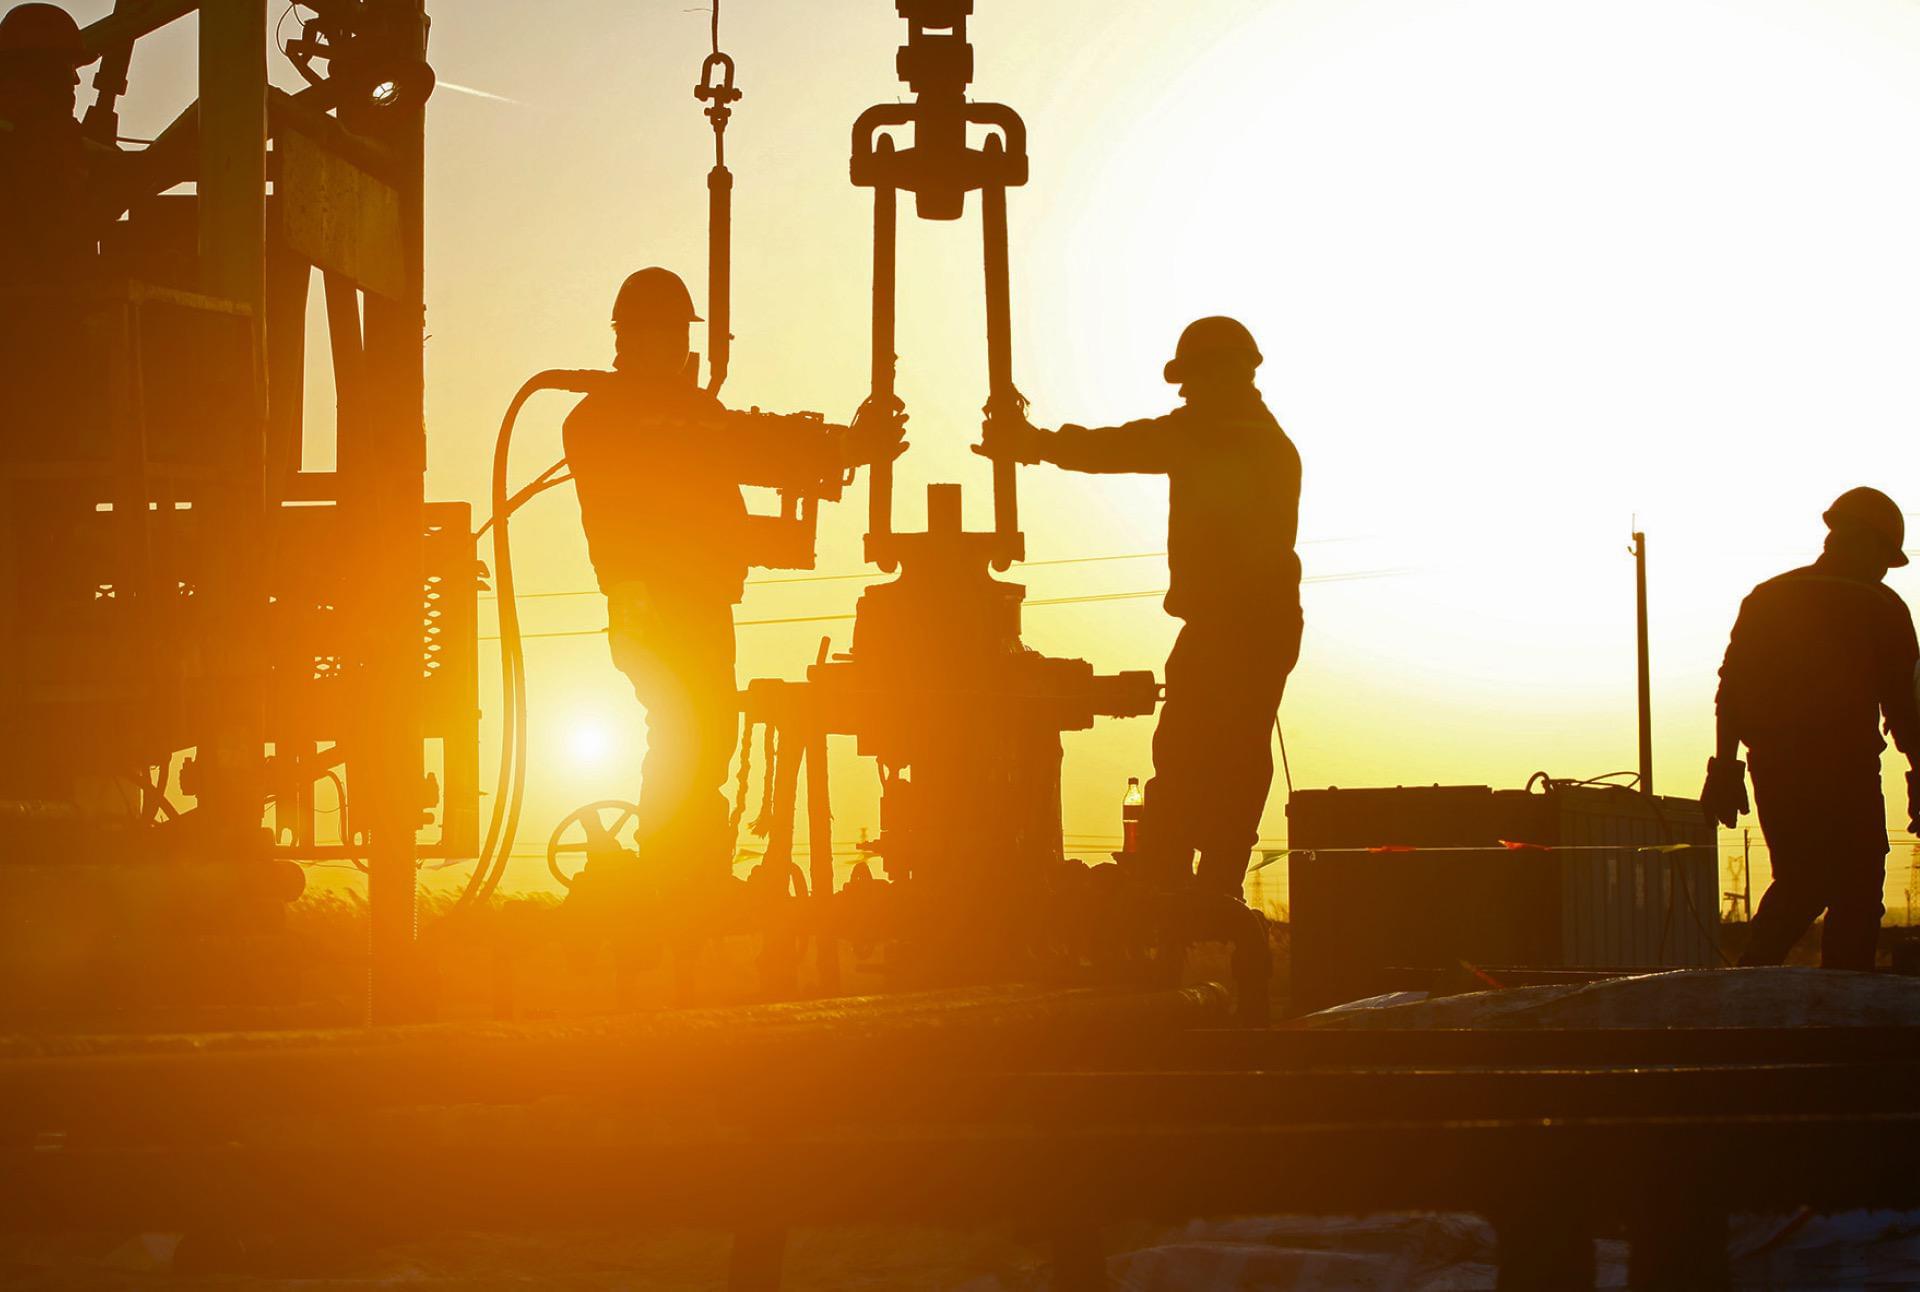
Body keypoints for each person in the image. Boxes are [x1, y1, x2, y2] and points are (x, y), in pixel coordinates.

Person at [563, 267, 898, 889]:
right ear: (628, 340)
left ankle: (688, 870)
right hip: (654, 608)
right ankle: (674, 874)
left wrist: (841, 446)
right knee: (686, 728)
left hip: (698, 600)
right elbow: (729, 442)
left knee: (703, 730)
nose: (673, 349)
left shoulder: (680, 412)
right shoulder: (610, 418)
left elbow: (734, 438)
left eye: (675, 336)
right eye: (660, 335)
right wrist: (840, 448)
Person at [978, 316, 1302, 900]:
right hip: (1257, 623)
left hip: (1235, 625)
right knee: (1228, 750)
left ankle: (1176, 882)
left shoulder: (1221, 434)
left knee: (1190, 751)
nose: (1184, 394)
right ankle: (1202, 879)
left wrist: (1036, 444)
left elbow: (1124, 445)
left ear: (1221, 375)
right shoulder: (1258, 436)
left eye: (1192, 381)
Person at [1703, 487, 1920, 970]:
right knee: (1856, 893)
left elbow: (1731, 691)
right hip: (1846, 773)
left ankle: (1752, 986)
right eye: (1884, 558)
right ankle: (1839, 1010)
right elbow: (1904, 708)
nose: (1885, 570)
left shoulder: (1768, 598)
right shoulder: (1883, 607)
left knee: (1803, 881)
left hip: (1778, 771)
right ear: (1865, 544)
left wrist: (1725, 766)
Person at [0, 3, 94, 286]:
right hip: (34, 303)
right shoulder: (35, 140)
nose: (76, 79)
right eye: (68, 67)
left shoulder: (29, 134)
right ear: (41, 70)